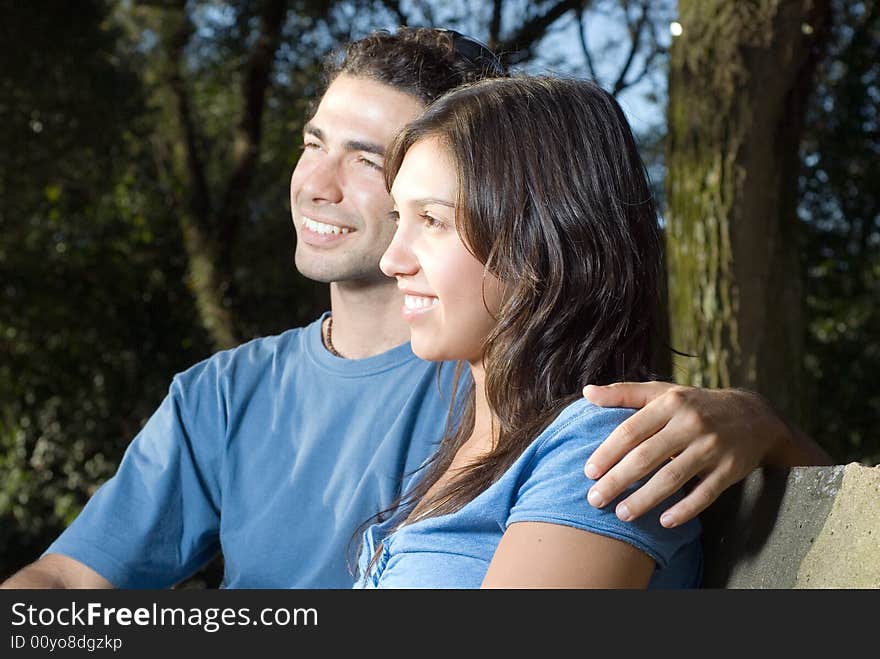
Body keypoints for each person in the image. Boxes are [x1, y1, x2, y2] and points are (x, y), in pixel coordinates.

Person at [1, 27, 831, 590]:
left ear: (519, 217)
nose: (316, 183)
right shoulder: (225, 393)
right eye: (311, 142)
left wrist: (765, 428)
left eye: (372, 162)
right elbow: (70, 581)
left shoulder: (536, 407)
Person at [354, 75, 702, 588]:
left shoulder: (602, 448)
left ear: (540, 237)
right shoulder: (466, 445)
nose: (392, 260)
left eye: (432, 220)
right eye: (398, 218)